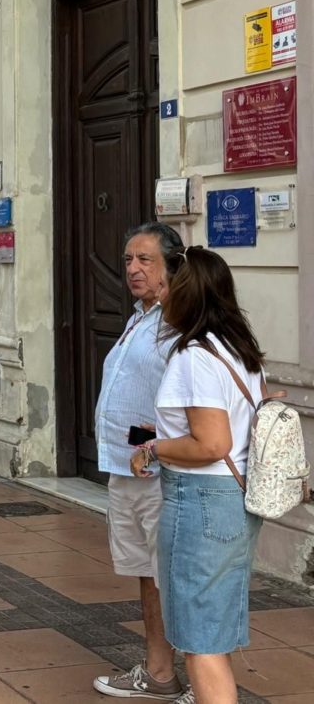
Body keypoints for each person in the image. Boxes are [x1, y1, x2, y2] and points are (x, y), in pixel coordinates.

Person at [131, 246, 266, 704]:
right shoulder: (240, 351)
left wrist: (153, 448)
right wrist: (167, 432)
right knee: (213, 632)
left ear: (185, 293)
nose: (160, 294)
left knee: (200, 642)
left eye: (166, 285)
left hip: (201, 501)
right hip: (233, 498)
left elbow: (212, 444)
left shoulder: (194, 356)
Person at [91, 223, 185, 700]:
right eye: (128, 259)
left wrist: (158, 444)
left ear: (173, 266)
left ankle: (203, 680)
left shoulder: (183, 321)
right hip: (127, 465)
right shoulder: (139, 317)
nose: (133, 268)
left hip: (163, 470)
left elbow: (193, 404)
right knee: (148, 573)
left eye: (145, 259)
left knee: (173, 576)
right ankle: (159, 671)